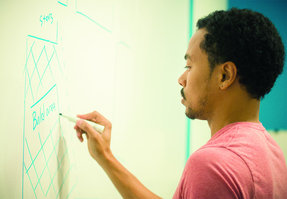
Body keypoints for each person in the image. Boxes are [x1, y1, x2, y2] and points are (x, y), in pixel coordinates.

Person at [74, 8, 287, 199]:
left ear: (225, 76)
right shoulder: (271, 153)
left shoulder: (213, 165)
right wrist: (107, 158)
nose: (181, 79)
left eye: (189, 66)